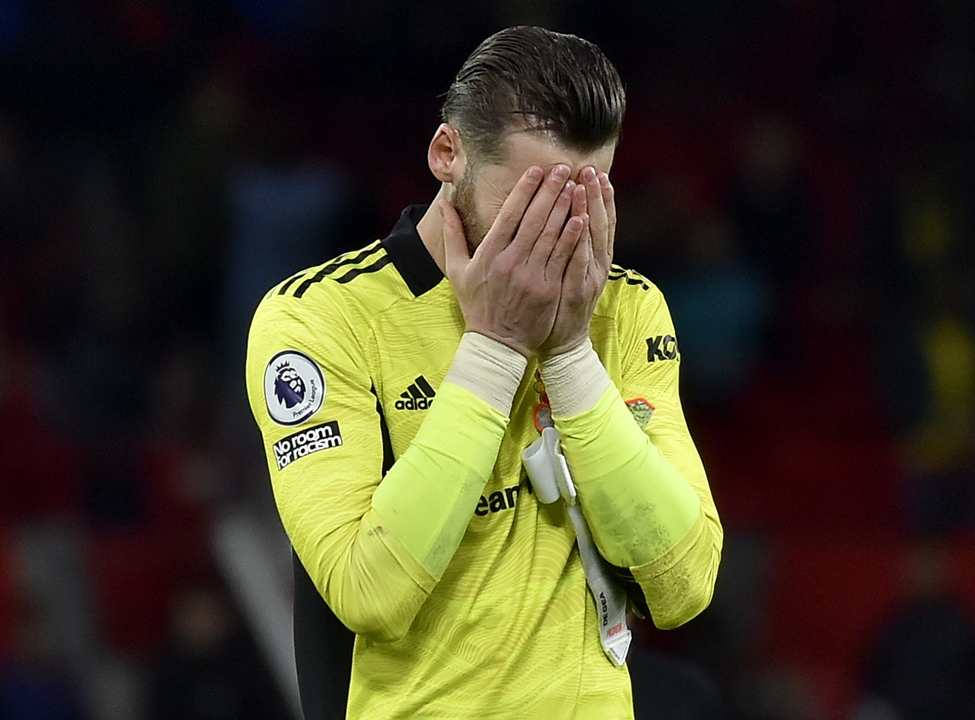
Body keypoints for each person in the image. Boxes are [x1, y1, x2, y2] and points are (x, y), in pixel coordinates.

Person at [244, 26, 723, 720]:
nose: (559, 234)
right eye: (531, 202)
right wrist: (496, 350)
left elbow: (683, 584)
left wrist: (569, 355)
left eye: (585, 200)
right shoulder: (322, 319)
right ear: (448, 154)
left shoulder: (625, 307)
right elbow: (368, 591)